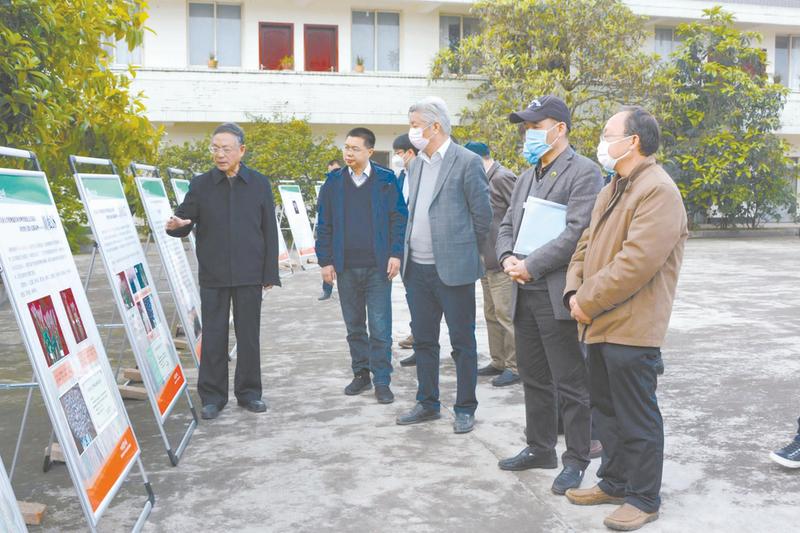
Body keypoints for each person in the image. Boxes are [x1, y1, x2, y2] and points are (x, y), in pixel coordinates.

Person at [563, 106, 688, 532]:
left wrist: (587, 301)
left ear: (632, 141)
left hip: (632, 328)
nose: (601, 141)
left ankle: (643, 497)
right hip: (597, 322)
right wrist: (573, 291)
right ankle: (614, 482)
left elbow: (636, 263)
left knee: (637, 416)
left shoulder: (658, 191)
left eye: (607, 133)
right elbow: (584, 244)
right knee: (606, 412)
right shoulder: (612, 187)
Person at [494, 96, 602, 495]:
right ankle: (540, 447)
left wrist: (531, 264)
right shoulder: (526, 175)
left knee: (571, 382)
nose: (528, 134)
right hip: (523, 289)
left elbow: (576, 233)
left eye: (535, 127)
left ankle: (576, 459)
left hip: (555, 292)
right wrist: (507, 256)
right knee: (534, 378)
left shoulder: (584, 173)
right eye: (526, 128)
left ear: (560, 129)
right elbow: (507, 223)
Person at [166, 122, 280, 420]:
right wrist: (176, 227)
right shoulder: (201, 184)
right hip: (214, 273)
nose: (220, 154)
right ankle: (213, 397)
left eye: (226, 148)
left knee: (248, 335)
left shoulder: (258, 183)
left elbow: (269, 229)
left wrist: (269, 273)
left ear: (241, 150)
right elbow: (184, 219)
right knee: (214, 335)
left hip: (249, 272)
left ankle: (249, 393)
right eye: (215, 148)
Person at [395, 96, 492, 434]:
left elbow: (483, 216)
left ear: (435, 126)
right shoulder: (417, 163)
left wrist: (467, 254)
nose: (412, 132)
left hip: (453, 269)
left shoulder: (466, 162)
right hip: (417, 269)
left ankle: (465, 407)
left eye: (415, 125)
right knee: (424, 340)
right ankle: (428, 402)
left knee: (462, 342)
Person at [316, 128, 408, 404]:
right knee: (354, 326)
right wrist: (325, 261)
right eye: (346, 147)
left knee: (380, 327)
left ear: (369, 151)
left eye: (355, 148)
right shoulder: (333, 183)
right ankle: (361, 375)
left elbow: (398, 218)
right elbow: (324, 225)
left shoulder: (386, 180)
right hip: (345, 267)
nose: (348, 153)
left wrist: (395, 253)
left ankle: (382, 379)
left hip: (378, 267)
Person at [464, 141, 519, 388]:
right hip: (485, 261)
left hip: (503, 262)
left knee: (507, 315)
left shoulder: (502, 177)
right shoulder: (480, 180)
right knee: (491, 314)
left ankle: (515, 366)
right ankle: (498, 360)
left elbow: (519, 214)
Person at [390, 134, 419, 365]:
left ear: (410, 152)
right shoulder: (401, 176)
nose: (397, 158)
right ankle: (419, 340)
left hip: (425, 247)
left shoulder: (425, 175)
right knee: (413, 297)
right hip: (405, 248)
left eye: (399, 154)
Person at [318, 159, 343, 301]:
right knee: (328, 263)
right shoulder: (326, 186)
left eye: (336, 170)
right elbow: (321, 208)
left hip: (343, 233)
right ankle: (327, 289)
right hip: (330, 232)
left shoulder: (346, 184)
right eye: (331, 170)